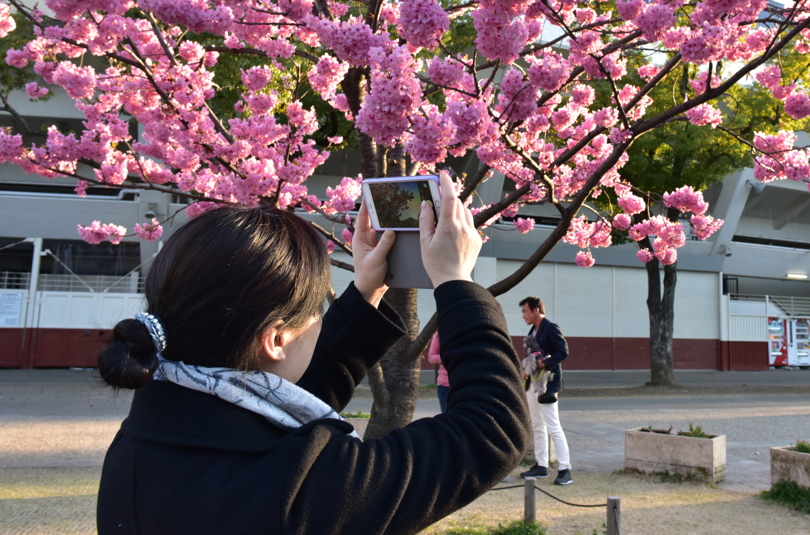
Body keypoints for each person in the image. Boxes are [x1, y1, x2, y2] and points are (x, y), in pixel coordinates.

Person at [95, 172, 529, 535]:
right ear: (276, 339)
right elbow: (492, 431)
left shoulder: (142, 439)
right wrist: (457, 282)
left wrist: (365, 291)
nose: (320, 321)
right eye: (316, 310)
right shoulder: (300, 493)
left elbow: (276, 415)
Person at [518, 296, 572, 486]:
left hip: (548, 383)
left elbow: (563, 351)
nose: (523, 315)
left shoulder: (551, 327)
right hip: (533, 382)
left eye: (525, 311)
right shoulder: (534, 330)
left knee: (553, 426)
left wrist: (544, 362)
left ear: (536, 310)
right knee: (536, 424)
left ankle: (565, 469)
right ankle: (541, 465)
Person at [427, 330, 450, 412]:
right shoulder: (439, 334)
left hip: (464, 384)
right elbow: (431, 356)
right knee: (446, 416)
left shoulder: (468, 330)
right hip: (444, 385)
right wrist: (446, 358)